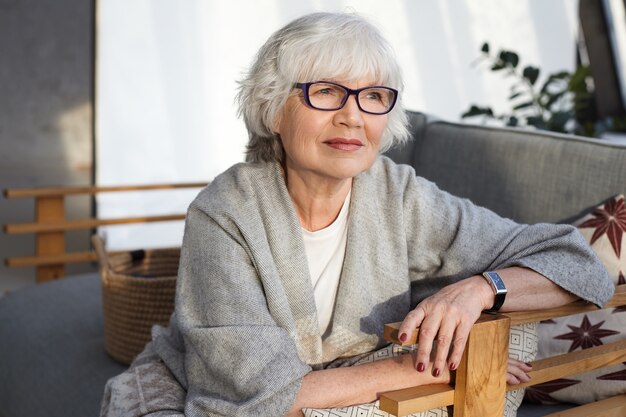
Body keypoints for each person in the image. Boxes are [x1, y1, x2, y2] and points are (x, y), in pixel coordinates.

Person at [100, 11, 614, 417]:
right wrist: (432, 371)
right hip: (191, 392)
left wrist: (479, 290)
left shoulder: (398, 195)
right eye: (325, 92)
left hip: (342, 385)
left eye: (372, 96)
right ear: (274, 108)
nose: (352, 116)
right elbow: (257, 399)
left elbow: (576, 262)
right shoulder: (224, 214)